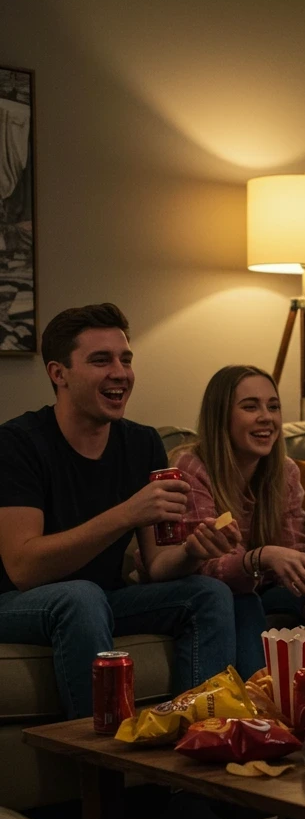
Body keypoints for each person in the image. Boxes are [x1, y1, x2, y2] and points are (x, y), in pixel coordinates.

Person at [0, 303, 238, 720]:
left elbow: (159, 562)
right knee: (81, 596)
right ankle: (102, 766)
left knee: (209, 593)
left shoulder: (141, 443)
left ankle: (200, 743)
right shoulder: (18, 444)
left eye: (125, 359)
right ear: (59, 374)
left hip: (104, 598)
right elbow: (23, 567)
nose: (120, 373)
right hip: (17, 602)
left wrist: (195, 551)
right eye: (100, 360)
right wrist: (126, 513)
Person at [169, 365, 305, 677]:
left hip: (262, 587)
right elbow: (208, 567)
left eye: (273, 406)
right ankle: (260, 708)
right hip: (201, 591)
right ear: (221, 416)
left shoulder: (284, 471)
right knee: (243, 601)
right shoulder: (191, 466)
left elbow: (295, 550)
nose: (266, 417)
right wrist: (262, 556)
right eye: (250, 406)